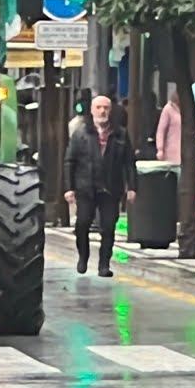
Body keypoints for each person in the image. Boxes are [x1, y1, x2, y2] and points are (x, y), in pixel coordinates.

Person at [63, 95, 137, 277]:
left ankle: (104, 264)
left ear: (110, 111)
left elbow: (129, 162)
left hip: (111, 187)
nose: (102, 111)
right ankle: (83, 256)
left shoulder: (120, 134)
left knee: (109, 226)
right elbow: (70, 161)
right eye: (98, 107)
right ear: (92, 110)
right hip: (86, 187)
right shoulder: (81, 133)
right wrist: (69, 188)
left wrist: (132, 187)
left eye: (106, 108)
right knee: (82, 224)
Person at [155, 88, 182, 163]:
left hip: (186, 149)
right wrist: (160, 149)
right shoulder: (168, 108)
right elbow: (161, 130)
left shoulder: (188, 108)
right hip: (171, 150)